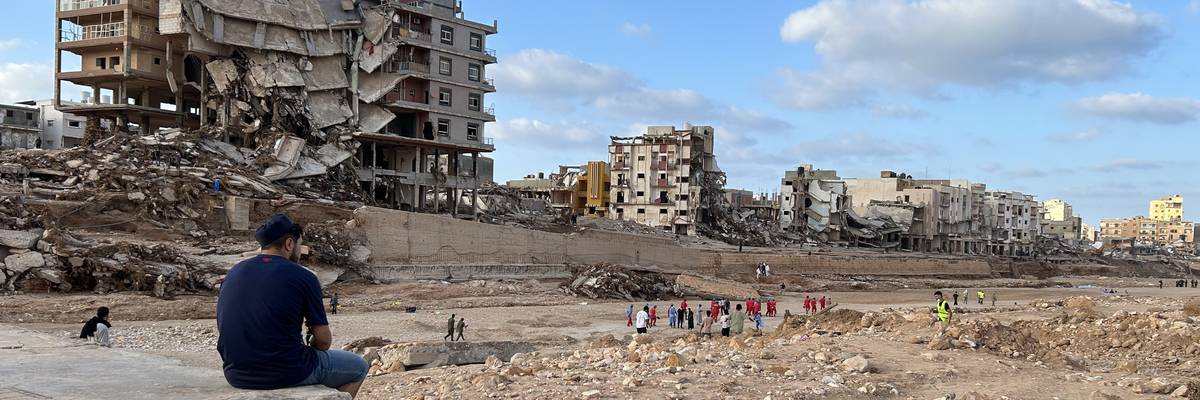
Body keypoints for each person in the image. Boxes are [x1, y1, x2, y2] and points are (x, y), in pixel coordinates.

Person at [216, 214, 367, 397]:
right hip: (287, 372)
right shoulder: (303, 276)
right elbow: (324, 341)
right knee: (359, 366)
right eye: (299, 245)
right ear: (289, 244)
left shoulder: (233, 272)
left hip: (235, 374)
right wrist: (313, 343)